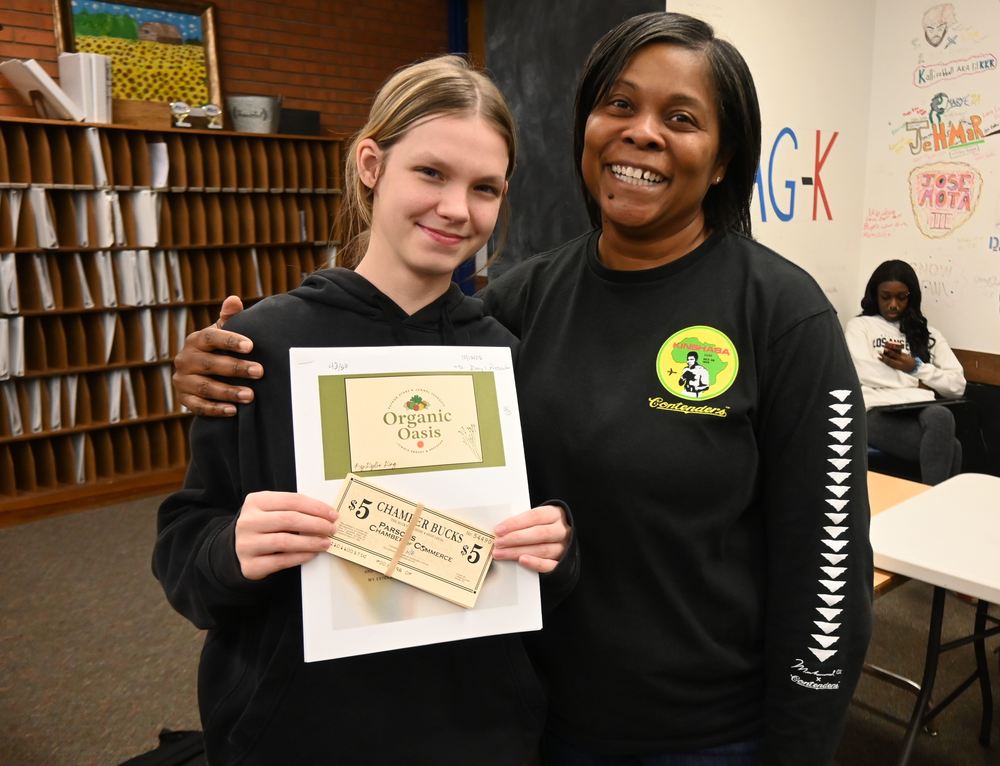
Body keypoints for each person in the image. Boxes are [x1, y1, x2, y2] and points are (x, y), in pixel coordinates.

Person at [172, 13, 873, 765]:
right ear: (586, 127)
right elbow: (399, 360)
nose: (642, 133)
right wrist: (210, 365)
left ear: (726, 155)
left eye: (680, 118)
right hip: (528, 716)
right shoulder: (514, 308)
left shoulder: (780, 315)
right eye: (619, 105)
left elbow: (826, 572)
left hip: (695, 737)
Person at [153, 55, 578, 766]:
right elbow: (183, 554)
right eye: (431, 173)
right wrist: (232, 550)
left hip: (478, 732)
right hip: (303, 733)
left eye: (485, 189)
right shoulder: (261, 346)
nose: (456, 209)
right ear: (371, 164)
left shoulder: (506, 356)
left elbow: (549, 541)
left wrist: (556, 546)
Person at [845, 259, 967, 485]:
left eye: (901, 297)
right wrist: (915, 381)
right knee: (954, 447)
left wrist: (917, 367)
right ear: (875, 295)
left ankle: (929, 502)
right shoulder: (860, 327)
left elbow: (957, 386)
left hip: (918, 408)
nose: (893, 304)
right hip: (875, 411)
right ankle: (936, 504)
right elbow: (863, 372)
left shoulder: (928, 333)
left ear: (911, 297)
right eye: (885, 297)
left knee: (941, 415)